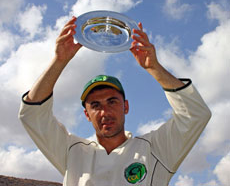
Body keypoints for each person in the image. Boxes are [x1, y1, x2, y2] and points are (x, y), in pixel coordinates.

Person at [19, 16, 211, 186]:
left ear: (125, 106)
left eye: (112, 102)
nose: (105, 112)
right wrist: (59, 61)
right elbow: (32, 115)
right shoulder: (73, 152)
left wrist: (154, 68)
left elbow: (195, 116)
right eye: (95, 105)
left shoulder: (155, 149)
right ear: (86, 114)